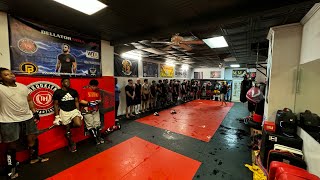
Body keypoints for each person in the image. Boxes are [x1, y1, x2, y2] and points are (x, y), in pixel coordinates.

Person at [0, 68, 49, 179]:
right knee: (12, 145)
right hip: (9, 120)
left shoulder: (23, 87)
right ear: (1, 78)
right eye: (6, 75)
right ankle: (11, 167)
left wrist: (35, 112)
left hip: (27, 117)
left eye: (11, 73)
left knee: (32, 138)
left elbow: (30, 100)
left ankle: (34, 157)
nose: (11, 75)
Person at [53, 77, 83, 153]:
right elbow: (56, 104)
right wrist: (57, 117)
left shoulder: (73, 91)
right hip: (64, 112)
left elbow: (76, 101)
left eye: (69, 82)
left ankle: (68, 126)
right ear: (62, 83)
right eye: (66, 82)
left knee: (78, 124)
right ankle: (71, 143)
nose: (68, 83)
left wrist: (78, 111)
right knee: (67, 131)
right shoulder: (58, 92)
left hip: (73, 110)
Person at [80, 79, 104, 145]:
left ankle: (99, 137)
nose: (94, 88)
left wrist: (98, 101)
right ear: (90, 85)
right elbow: (80, 100)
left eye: (95, 86)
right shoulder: (85, 90)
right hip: (87, 110)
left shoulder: (97, 91)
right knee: (90, 125)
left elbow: (100, 99)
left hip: (95, 109)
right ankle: (95, 139)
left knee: (97, 124)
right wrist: (88, 103)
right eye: (93, 86)